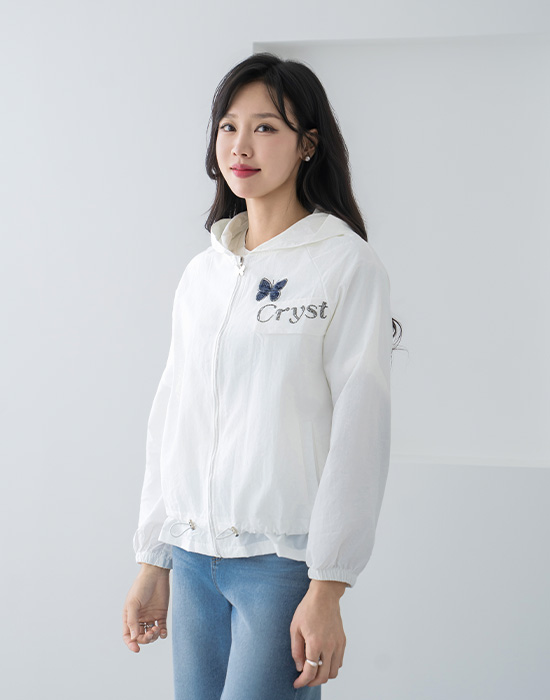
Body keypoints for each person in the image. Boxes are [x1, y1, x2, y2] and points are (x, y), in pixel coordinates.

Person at [122, 52, 402, 699]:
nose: (240, 146)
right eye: (229, 126)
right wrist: (153, 559)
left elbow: (360, 431)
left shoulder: (345, 265)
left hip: (280, 568)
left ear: (308, 144)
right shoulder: (203, 274)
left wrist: (328, 585)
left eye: (266, 127)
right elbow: (174, 417)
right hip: (192, 561)